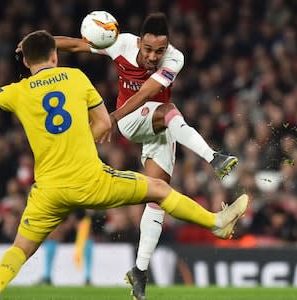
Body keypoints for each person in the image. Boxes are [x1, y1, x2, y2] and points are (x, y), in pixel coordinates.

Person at [0, 30, 248, 300]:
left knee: (21, 246)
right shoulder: (75, 78)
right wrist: (86, 136)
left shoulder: (18, 91)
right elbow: (105, 124)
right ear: (54, 56)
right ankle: (216, 223)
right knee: (157, 189)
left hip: (48, 190)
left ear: (26, 62)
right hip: (90, 180)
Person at [17, 13, 239, 299]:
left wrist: (108, 117)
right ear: (140, 42)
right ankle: (214, 158)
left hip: (156, 126)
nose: (153, 56)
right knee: (169, 110)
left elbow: (148, 91)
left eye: (159, 50)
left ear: (167, 46)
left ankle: (139, 272)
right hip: (132, 121)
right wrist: (34, 44)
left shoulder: (175, 58)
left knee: (159, 197)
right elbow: (73, 45)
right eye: (148, 49)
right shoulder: (120, 43)